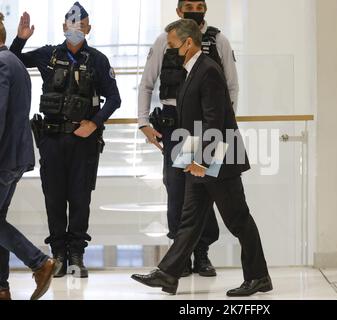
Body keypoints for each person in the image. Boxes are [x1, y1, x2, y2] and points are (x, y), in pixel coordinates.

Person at [132, 19, 272, 297]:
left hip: (218, 159)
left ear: (188, 43)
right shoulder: (191, 70)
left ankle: (258, 277)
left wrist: (202, 161)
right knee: (191, 219)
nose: (169, 50)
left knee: (237, 219)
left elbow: (214, 120)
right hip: (200, 154)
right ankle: (168, 275)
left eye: (172, 45)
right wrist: (191, 158)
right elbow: (195, 120)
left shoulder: (208, 70)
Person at [9, 2, 121, 278]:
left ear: (88, 29)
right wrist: (20, 40)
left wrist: (94, 123)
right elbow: (12, 61)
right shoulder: (48, 55)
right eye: (71, 25)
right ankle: (58, 253)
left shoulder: (97, 60)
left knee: (80, 198)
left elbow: (115, 99)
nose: (75, 29)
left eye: (80, 25)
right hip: (51, 138)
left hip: (83, 142)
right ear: (63, 27)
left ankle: (76, 255)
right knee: (54, 197)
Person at [138, 0, 239, 277]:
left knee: (208, 189)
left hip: (208, 125)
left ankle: (202, 254)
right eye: (189, 5)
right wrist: (143, 122)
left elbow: (232, 86)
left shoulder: (218, 40)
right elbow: (147, 83)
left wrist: (223, 129)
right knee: (178, 190)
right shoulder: (165, 39)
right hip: (176, 127)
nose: (195, 9)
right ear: (178, 11)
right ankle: (179, 256)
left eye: (200, 4)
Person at [0, 12, 60, 301]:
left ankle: (39, 262)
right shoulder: (12, 62)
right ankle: (1, 288)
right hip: (14, 156)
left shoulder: (1, 64)